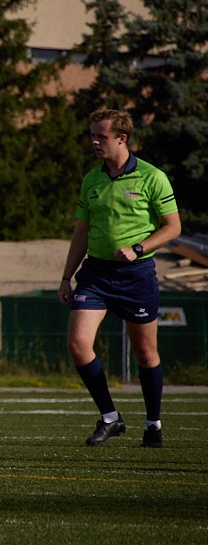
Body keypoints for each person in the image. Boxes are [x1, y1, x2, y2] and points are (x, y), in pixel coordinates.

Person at [57, 108, 181, 448]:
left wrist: (139, 248)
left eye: (102, 136)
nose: (94, 141)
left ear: (121, 138)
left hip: (137, 275)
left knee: (145, 353)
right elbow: (81, 231)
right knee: (78, 344)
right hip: (96, 274)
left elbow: (173, 227)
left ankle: (153, 424)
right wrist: (67, 276)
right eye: (92, 135)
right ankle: (110, 417)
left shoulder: (152, 177)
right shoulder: (92, 179)